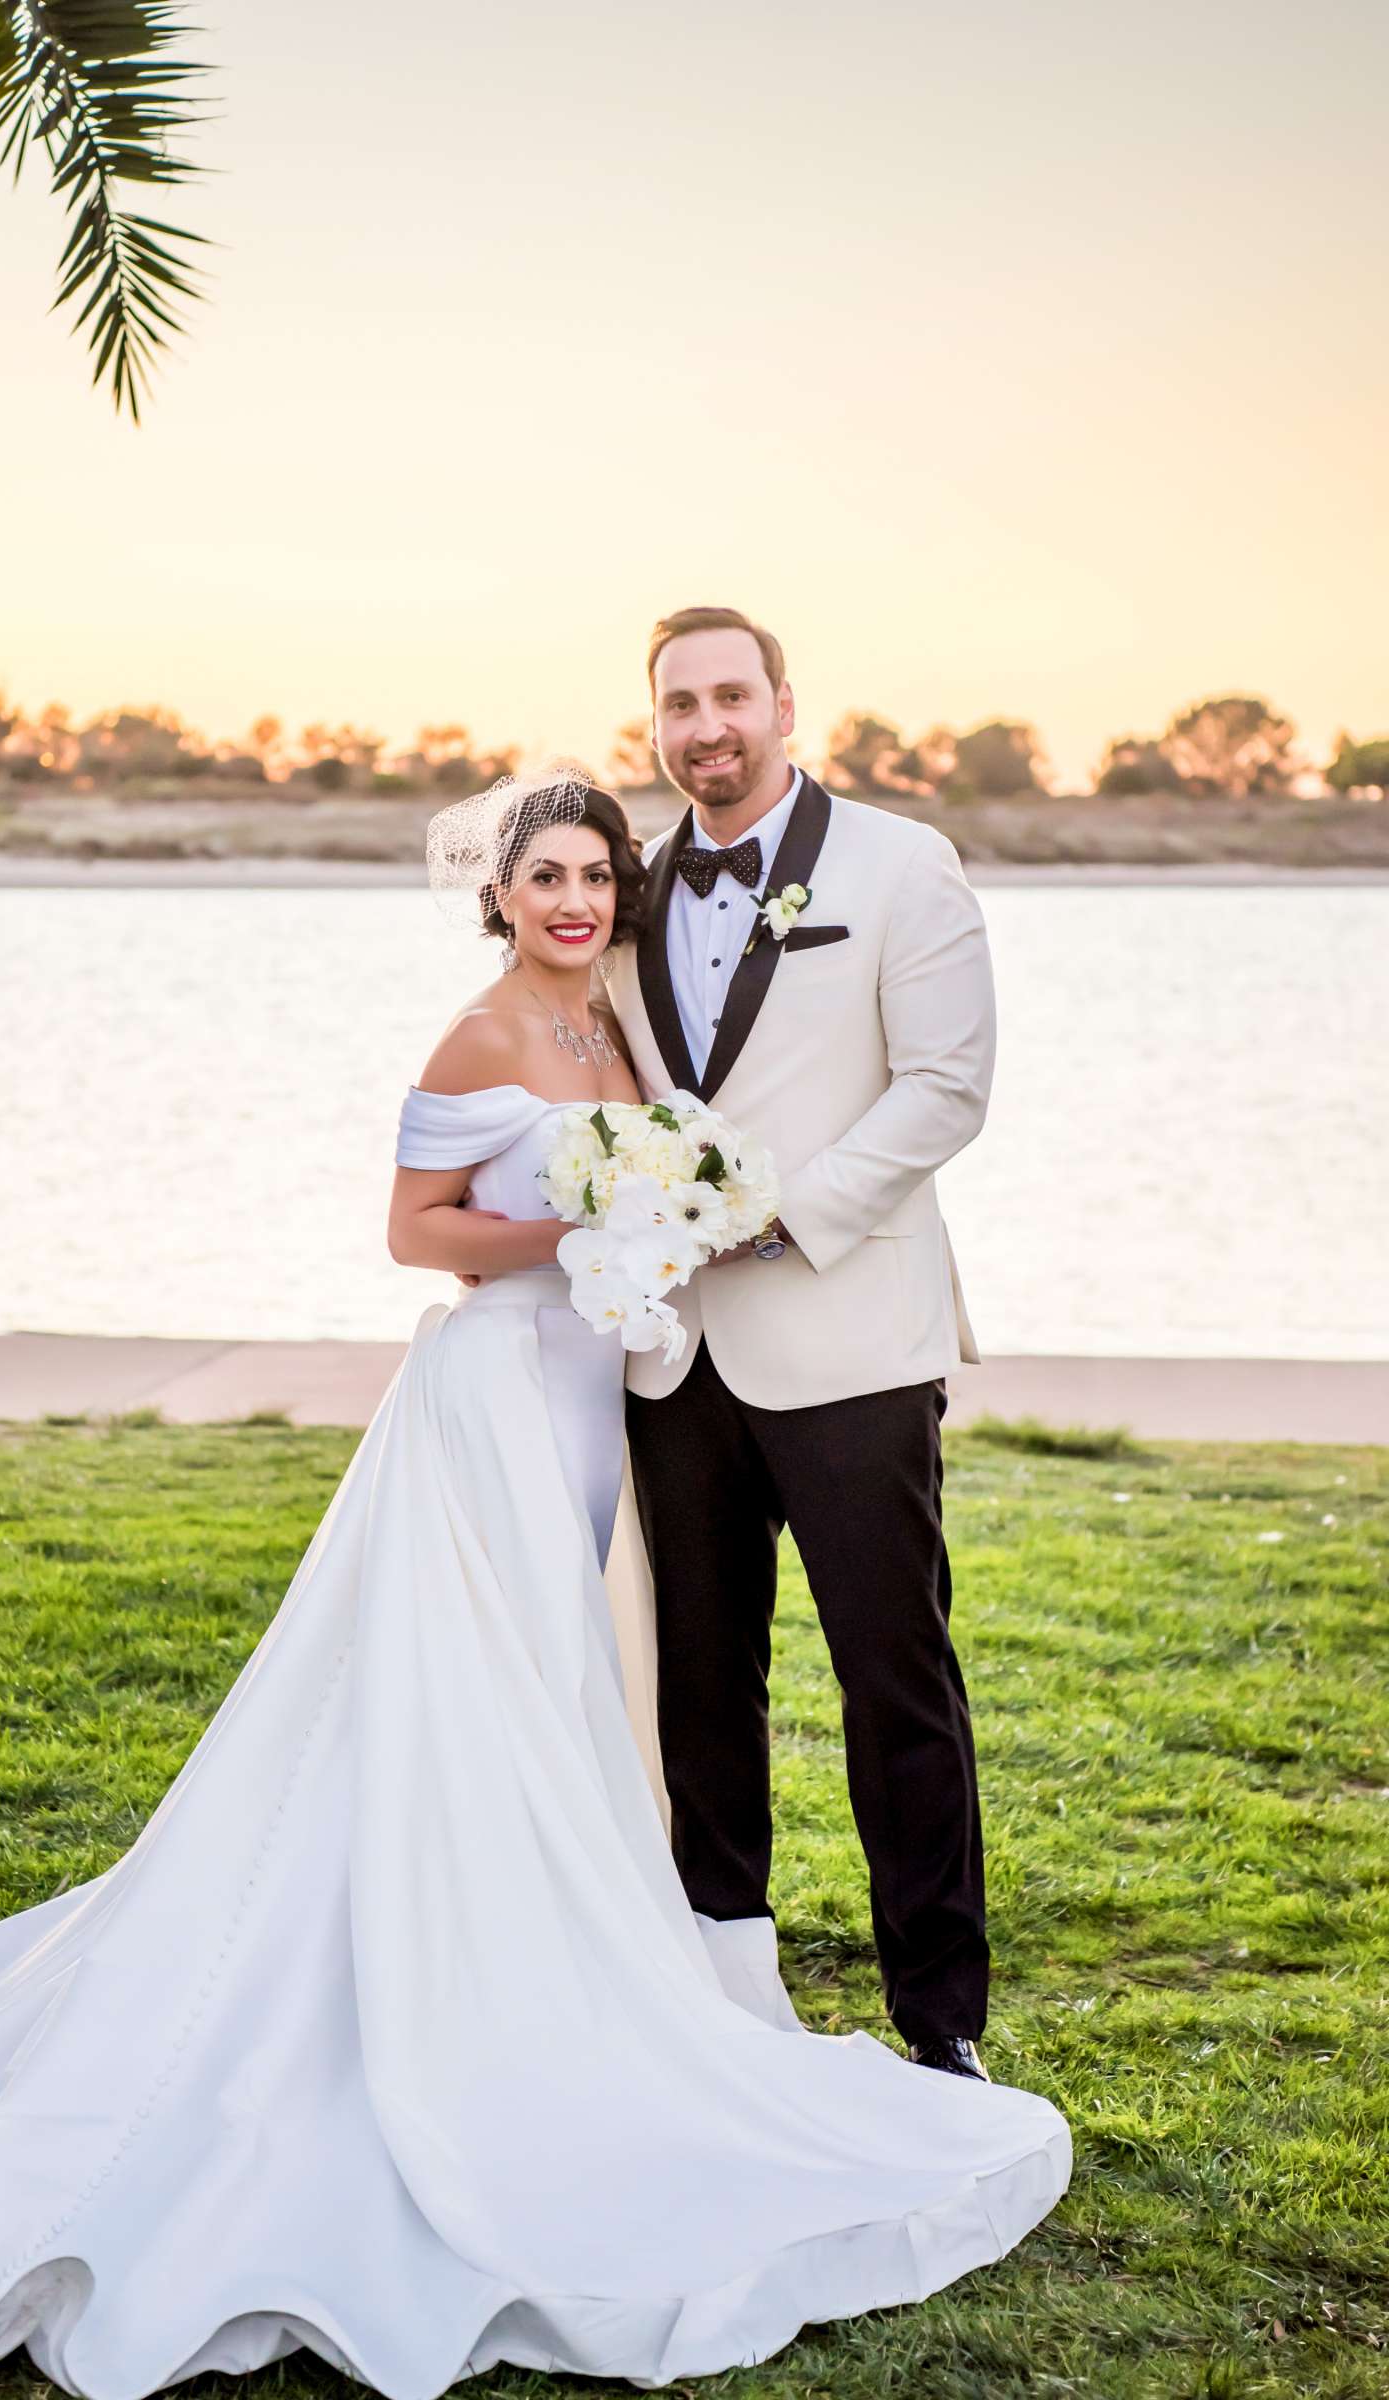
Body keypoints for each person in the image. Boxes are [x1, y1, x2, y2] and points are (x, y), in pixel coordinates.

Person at [0, 771, 1066, 2400]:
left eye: (597, 874)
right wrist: (599, 1218)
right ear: (500, 891)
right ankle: (458, 1980)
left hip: (615, 1397)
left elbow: (865, 1094)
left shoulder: (617, 1016)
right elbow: (416, 1232)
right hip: (496, 1405)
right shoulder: (478, 1037)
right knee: (485, 1687)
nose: (578, 899)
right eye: (547, 876)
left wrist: (651, 1213)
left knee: (585, 1686)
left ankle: (694, 1975)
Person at [605, 605, 999, 2078]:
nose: (705, 726)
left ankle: (940, 2020)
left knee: (893, 1675)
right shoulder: (627, 892)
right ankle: (728, 1998)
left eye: (729, 696)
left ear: (783, 703)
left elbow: (949, 1087)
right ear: (654, 726)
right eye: (677, 705)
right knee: (702, 1687)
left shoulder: (903, 865)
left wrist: (778, 1217)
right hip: (674, 1355)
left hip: (850, 1336)